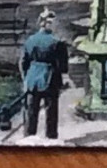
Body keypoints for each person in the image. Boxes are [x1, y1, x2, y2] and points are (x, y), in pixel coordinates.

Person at [20, 9, 70, 139]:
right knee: (51, 111)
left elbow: (23, 62)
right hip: (50, 78)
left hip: (32, 78)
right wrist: (64, 79)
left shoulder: (30, 40)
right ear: (49, 24)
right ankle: (51, 137)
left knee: (31, 111)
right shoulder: (57, 42)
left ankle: (29, 136)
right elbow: (62, 65)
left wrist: (26, 77)